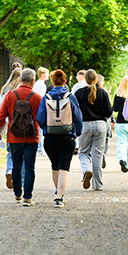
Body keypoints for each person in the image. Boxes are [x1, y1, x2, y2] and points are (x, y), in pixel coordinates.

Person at [0, 68, 43, 206]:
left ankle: (17, 195)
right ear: (32, 81)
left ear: (21, 79)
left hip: (13, 137)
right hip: (31, 138)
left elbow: (1, 115)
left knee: (16, 166)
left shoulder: (10, 95)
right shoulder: (37, 97)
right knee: (29, 167)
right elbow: (42, 118)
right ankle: (27, 198)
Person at [36, 69, 83, 207]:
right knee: (64, 167)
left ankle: (58, 191)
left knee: (55, 166)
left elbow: (40, 117)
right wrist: (76, 133)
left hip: (50, 138)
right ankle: (59, 197)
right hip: (67, 136)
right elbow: (78, 117)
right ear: (65, 81)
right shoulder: (70, 97)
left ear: (52, 81)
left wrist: (46, 128)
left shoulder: (46, 97)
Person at [0, 63, 23, 190]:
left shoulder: (5, 88)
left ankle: (9, 170)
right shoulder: (22, 89)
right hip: (21, 123)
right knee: (22, 153)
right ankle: (19, 181)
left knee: (11, 151)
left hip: (8, 123)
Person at [111, 75, 128, 173]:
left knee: (122, 142)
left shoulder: (118, 94)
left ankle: (122, 159)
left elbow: (115, 109)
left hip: (120, 122)